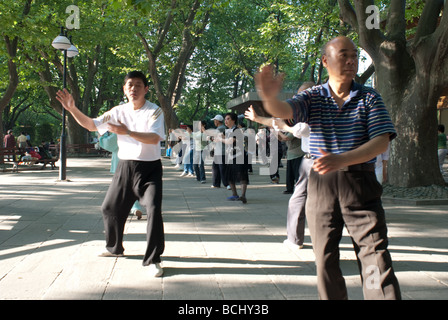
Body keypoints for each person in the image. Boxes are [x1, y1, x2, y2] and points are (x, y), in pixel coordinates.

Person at [255, 36, 401, 300]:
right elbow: (286, 109)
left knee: (373, 257)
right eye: (343, 54)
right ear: (325, 60)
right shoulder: (313, 96)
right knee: (325, 259)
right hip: (321, 185)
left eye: (354, 55)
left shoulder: (369, 97)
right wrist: (268, 97)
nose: (351, 60)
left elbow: (380, 141)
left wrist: (342, 159)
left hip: (360, 184)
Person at [56, 71, 165, 277]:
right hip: (125, 166)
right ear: (124, 89)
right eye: (130, 85)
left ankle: (154, 259)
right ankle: (114, 248)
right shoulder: (117, 111)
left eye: (138, 85)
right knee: (109, 207)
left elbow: (154, 138)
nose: (134, 89)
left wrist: (128, 132)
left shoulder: (154, 111)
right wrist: (72, 109)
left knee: (152, 209)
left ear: (146, 89)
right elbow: (91, 124)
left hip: (149, 168)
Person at [99, 131, 144, 220]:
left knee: (121, 186)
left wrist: (101, 137)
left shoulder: (121, 129)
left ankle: (121, 207)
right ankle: (136, 207)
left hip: (122, 160)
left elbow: (110, 143)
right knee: (133, 185)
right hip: (138, 159)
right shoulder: (139, 127)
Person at [220, 112, 249, 203]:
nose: (226, 121)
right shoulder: (227, 130)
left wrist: (221, 139)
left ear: (233, 120)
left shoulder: (237, 130)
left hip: (239, 155)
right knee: (229, 176)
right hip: (231, 155)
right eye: (225, 119)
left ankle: (243, 195)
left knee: (242, 176)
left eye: (228, 119)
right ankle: (234, 194)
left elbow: (230, 141)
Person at [210, 115, 229, 189]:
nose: (214, 122)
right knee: (216, 168)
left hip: (222, 151)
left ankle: (227, 184)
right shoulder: (220, 128)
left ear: (218, 121)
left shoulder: (221, 128)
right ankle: (216, 183)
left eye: (215, 120)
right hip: (218, 151)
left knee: (222, 168)